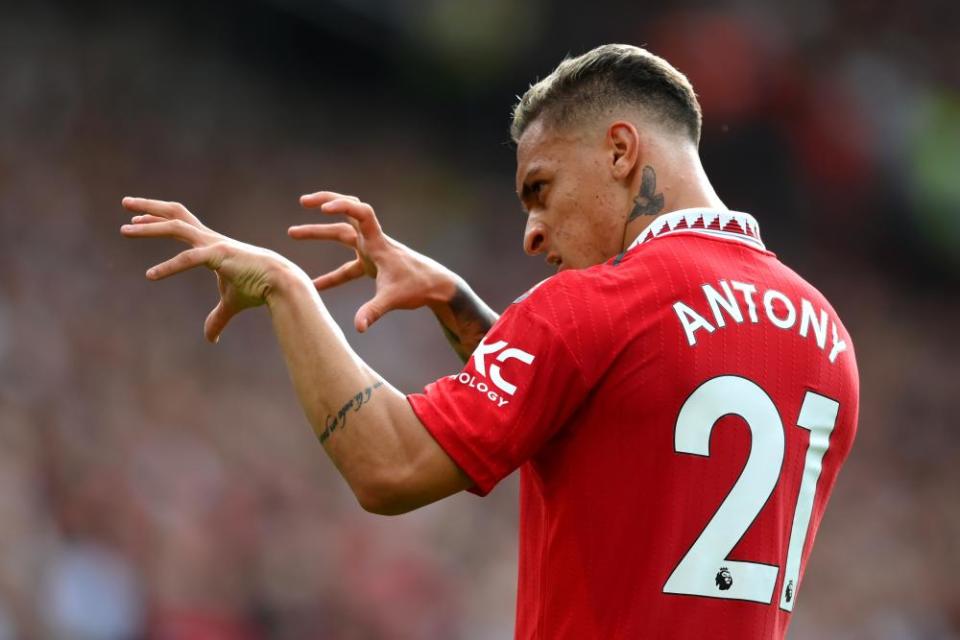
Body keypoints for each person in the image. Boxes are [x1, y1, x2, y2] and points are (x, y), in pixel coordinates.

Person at [120, 44, 859, 639]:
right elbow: (604, 411)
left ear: (621, 150)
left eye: (540, 188)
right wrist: (455, 300)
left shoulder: (595, 304)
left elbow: (388, 466)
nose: (532, 233)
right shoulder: (826, 334)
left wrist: (286, 287)